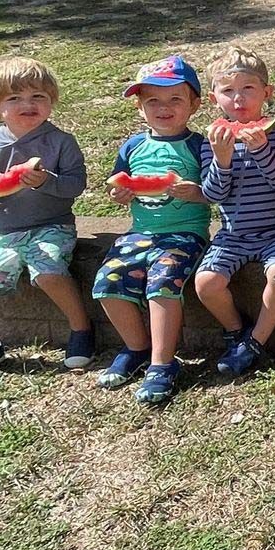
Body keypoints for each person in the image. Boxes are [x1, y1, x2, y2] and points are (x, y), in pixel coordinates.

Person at [0, 56, 92, 383]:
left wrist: (47, 181)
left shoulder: (61, 142)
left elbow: (76, 185)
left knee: (49, 273)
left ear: (51, 102)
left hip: (52, 226)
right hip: (0, 231)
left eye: (37, 97)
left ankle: (82, 328)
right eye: (15, 98)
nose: (27, 104)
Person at [92, 56, 213, 406]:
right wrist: (120, 192)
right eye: (153, 101)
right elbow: (117, 188)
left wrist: (198, 192)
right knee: (107, 284)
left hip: (185, 234)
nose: (164, 108)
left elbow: (217, 190)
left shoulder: (198, 145)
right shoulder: (132, 146)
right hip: (138, 234)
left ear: (194, 104)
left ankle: (163, 363)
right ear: (140, 107)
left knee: (162, 285)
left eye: (175, 99)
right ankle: (136, 348)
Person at [194, 47, 275, 380]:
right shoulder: (210, 142)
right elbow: (212, 195)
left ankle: (255, 341)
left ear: (266, 94)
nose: (238, 98)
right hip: (232, 236)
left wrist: (262, 150)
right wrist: (222, 159)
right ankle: (236, 332)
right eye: (228, 91)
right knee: (206, 283)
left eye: (248, 89)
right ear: (215, 98)